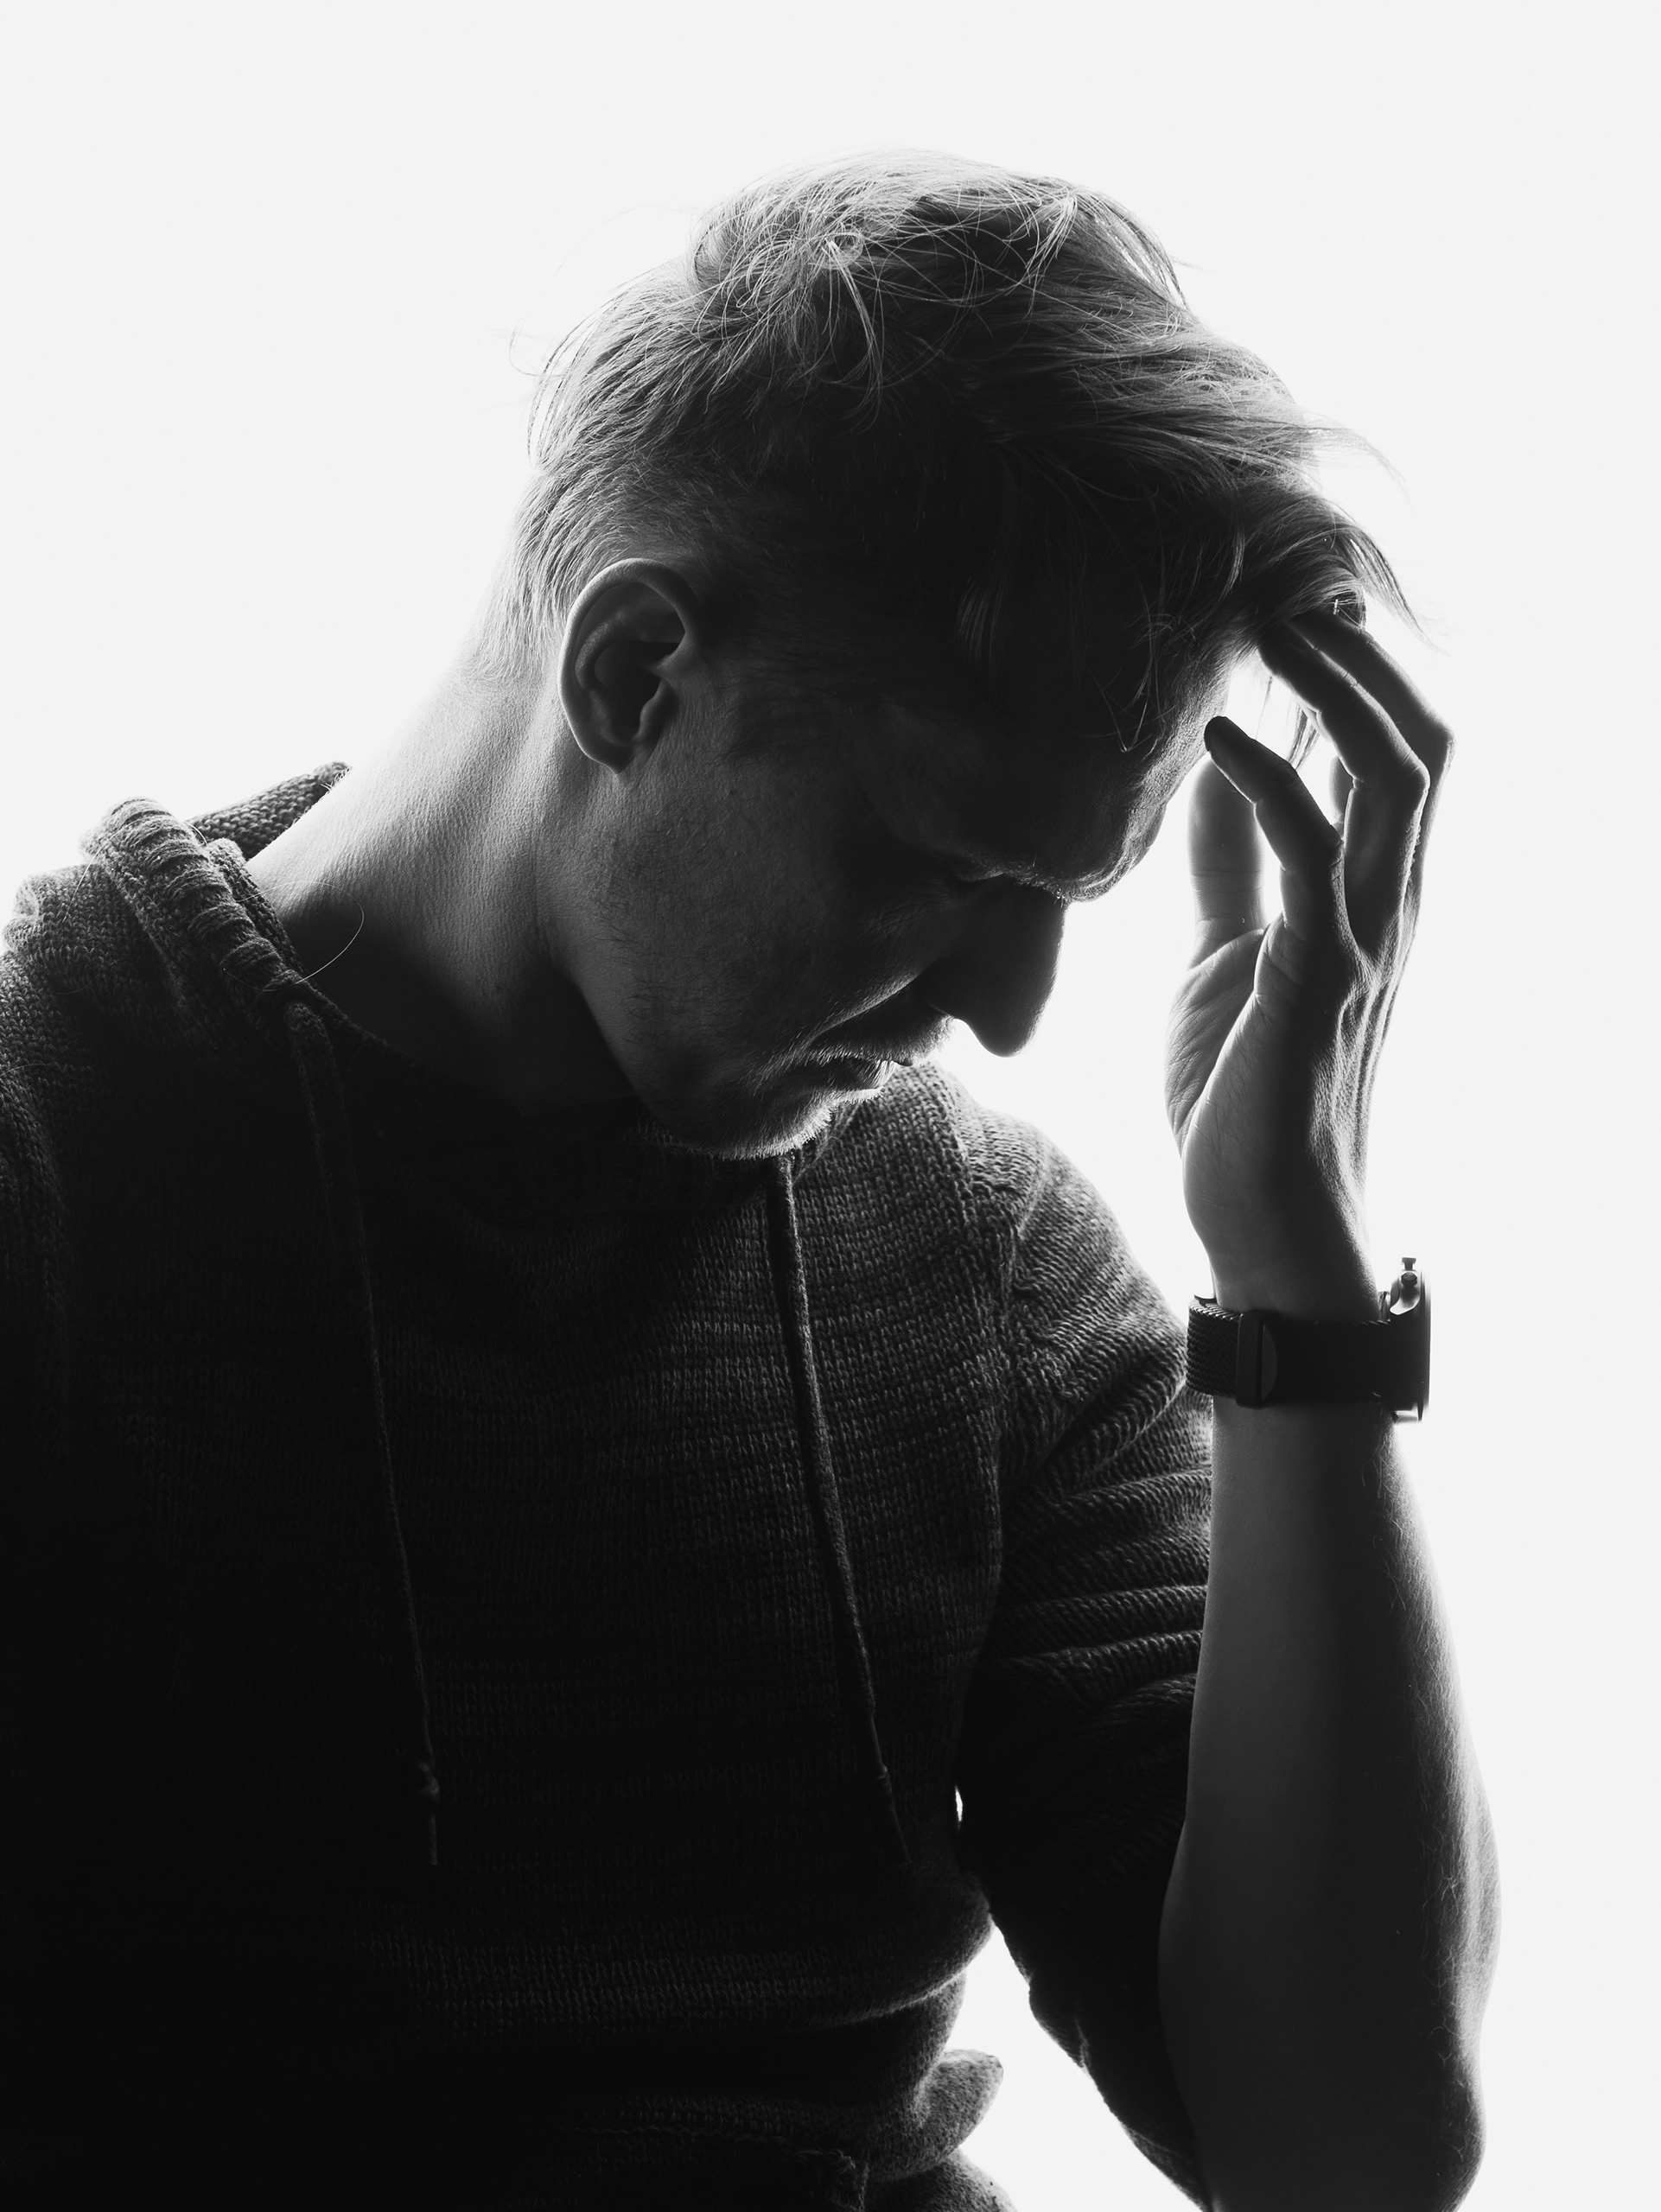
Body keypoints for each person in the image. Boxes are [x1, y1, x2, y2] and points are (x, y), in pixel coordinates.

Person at [0, 154, 1498, 2209]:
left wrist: (1301, 1290)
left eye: (1069, 897)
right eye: (949, 866)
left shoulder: (978, 1264)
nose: (1008, 1015)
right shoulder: (53, 1164)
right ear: (634, 674)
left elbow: (1340, 2157)